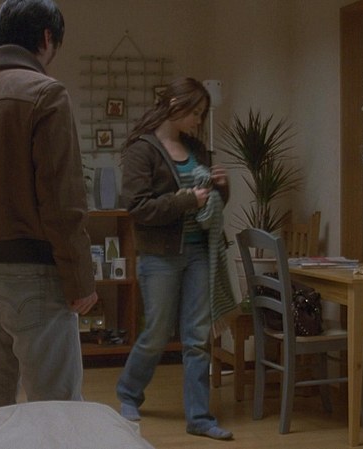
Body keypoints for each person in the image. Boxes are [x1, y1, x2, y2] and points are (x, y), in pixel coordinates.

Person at [0, 0, 98, 412]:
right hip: (33, 272)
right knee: (57, 411)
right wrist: (80, 279)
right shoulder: (46, 94)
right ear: (46, 38)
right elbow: (62, 201)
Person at [116, 77, 234, 440]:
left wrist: (221, 188)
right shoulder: (142, 150)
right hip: (160, 256)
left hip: (199, 252)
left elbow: (210, 205)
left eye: (201, 113)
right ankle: (128, 392)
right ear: (174, 105)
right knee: (156, 333)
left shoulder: (196, 148)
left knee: (197, 338)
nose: (198, 120)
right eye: (195, 112)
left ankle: (199, 417)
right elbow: (138, 208)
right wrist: (186, 200)